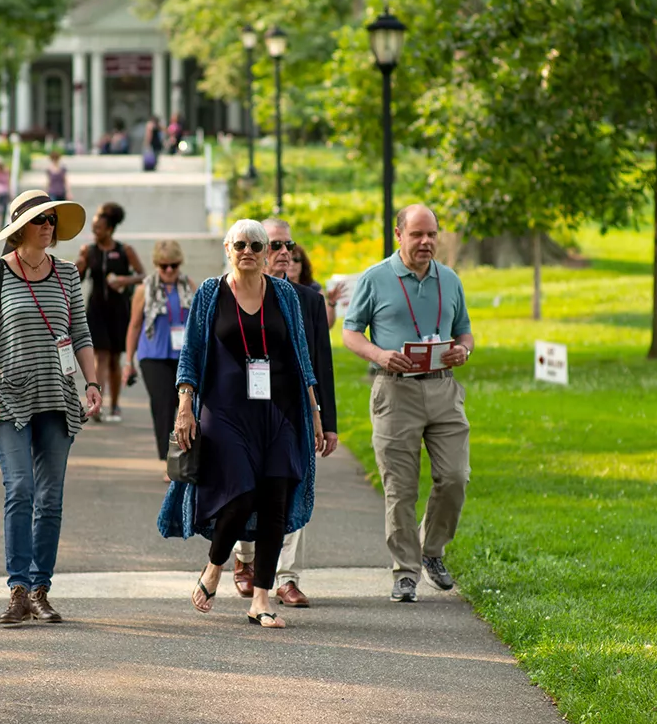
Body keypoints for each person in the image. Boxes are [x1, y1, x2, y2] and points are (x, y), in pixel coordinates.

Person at [158, 219, 326, 630]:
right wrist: (185, 405)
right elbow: (192, 353)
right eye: (240, 245)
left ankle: (262, 601)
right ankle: (215, 566)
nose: (247, 251)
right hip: (226, 411)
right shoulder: (212, 293)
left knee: (276, 500)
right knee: (242, 492)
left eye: (256, 245)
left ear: (267, 251)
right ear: (227, 249)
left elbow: (302, 357)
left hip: (280, 411)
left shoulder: (284, 293)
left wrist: (315, 413)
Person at [0, 189, 103, 627]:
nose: (49, 226)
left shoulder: (66, 274)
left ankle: (41, 589)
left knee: (50, 498)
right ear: (19, 227)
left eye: (52, 219)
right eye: (41, 219)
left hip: (58, 396)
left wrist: (93, 384)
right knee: (21, 488)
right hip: (8, 396)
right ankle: (18, 589)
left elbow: (80, 334)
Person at [341, 204, 474, 604]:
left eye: (432, 234)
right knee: (400, 489)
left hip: (443, 389)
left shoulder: (449, 280)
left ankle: (431, 551)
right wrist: (379, 355)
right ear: (398, 235)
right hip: (395, 391)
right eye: (417, 234)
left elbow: (465, 333)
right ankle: (405, 572)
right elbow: (350, 333)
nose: (426, 242)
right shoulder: (376, 278)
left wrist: (463, 352)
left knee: (455, 477)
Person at [230, 219, 338, 608]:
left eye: (286, 244)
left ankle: (286, 577)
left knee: (290, 488)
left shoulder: (307, 300)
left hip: (292, 411)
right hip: (244, 412)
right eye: (271, 244)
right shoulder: (233, 293)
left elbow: (320, 364)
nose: (282, 252)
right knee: (246, 489)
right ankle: (244, 558)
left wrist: (328, 421)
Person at [123, 241, 195, 462]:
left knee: (184, 406)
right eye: (164, 266)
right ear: (156, 265)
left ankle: (185, 456)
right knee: (163, 406)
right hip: (153, 355)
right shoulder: (144, 289)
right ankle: (168, 460)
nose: (170, 270)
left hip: (182, 355)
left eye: (174, 265)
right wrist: (129, 362)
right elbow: (135, 325)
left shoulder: (189, 286)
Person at [75, 203, 144, 423]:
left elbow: (143, 275)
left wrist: (125, 279)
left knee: (115, 359)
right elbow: (78, 279)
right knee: (100, 356)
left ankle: (115, 404)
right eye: (94, 228)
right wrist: (79, 266)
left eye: (99, 228)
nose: (95, 232)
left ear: (110, 229)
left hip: (118, 310)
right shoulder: (88, 250)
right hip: (96, 310)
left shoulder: (125, 251)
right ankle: (98, 404)